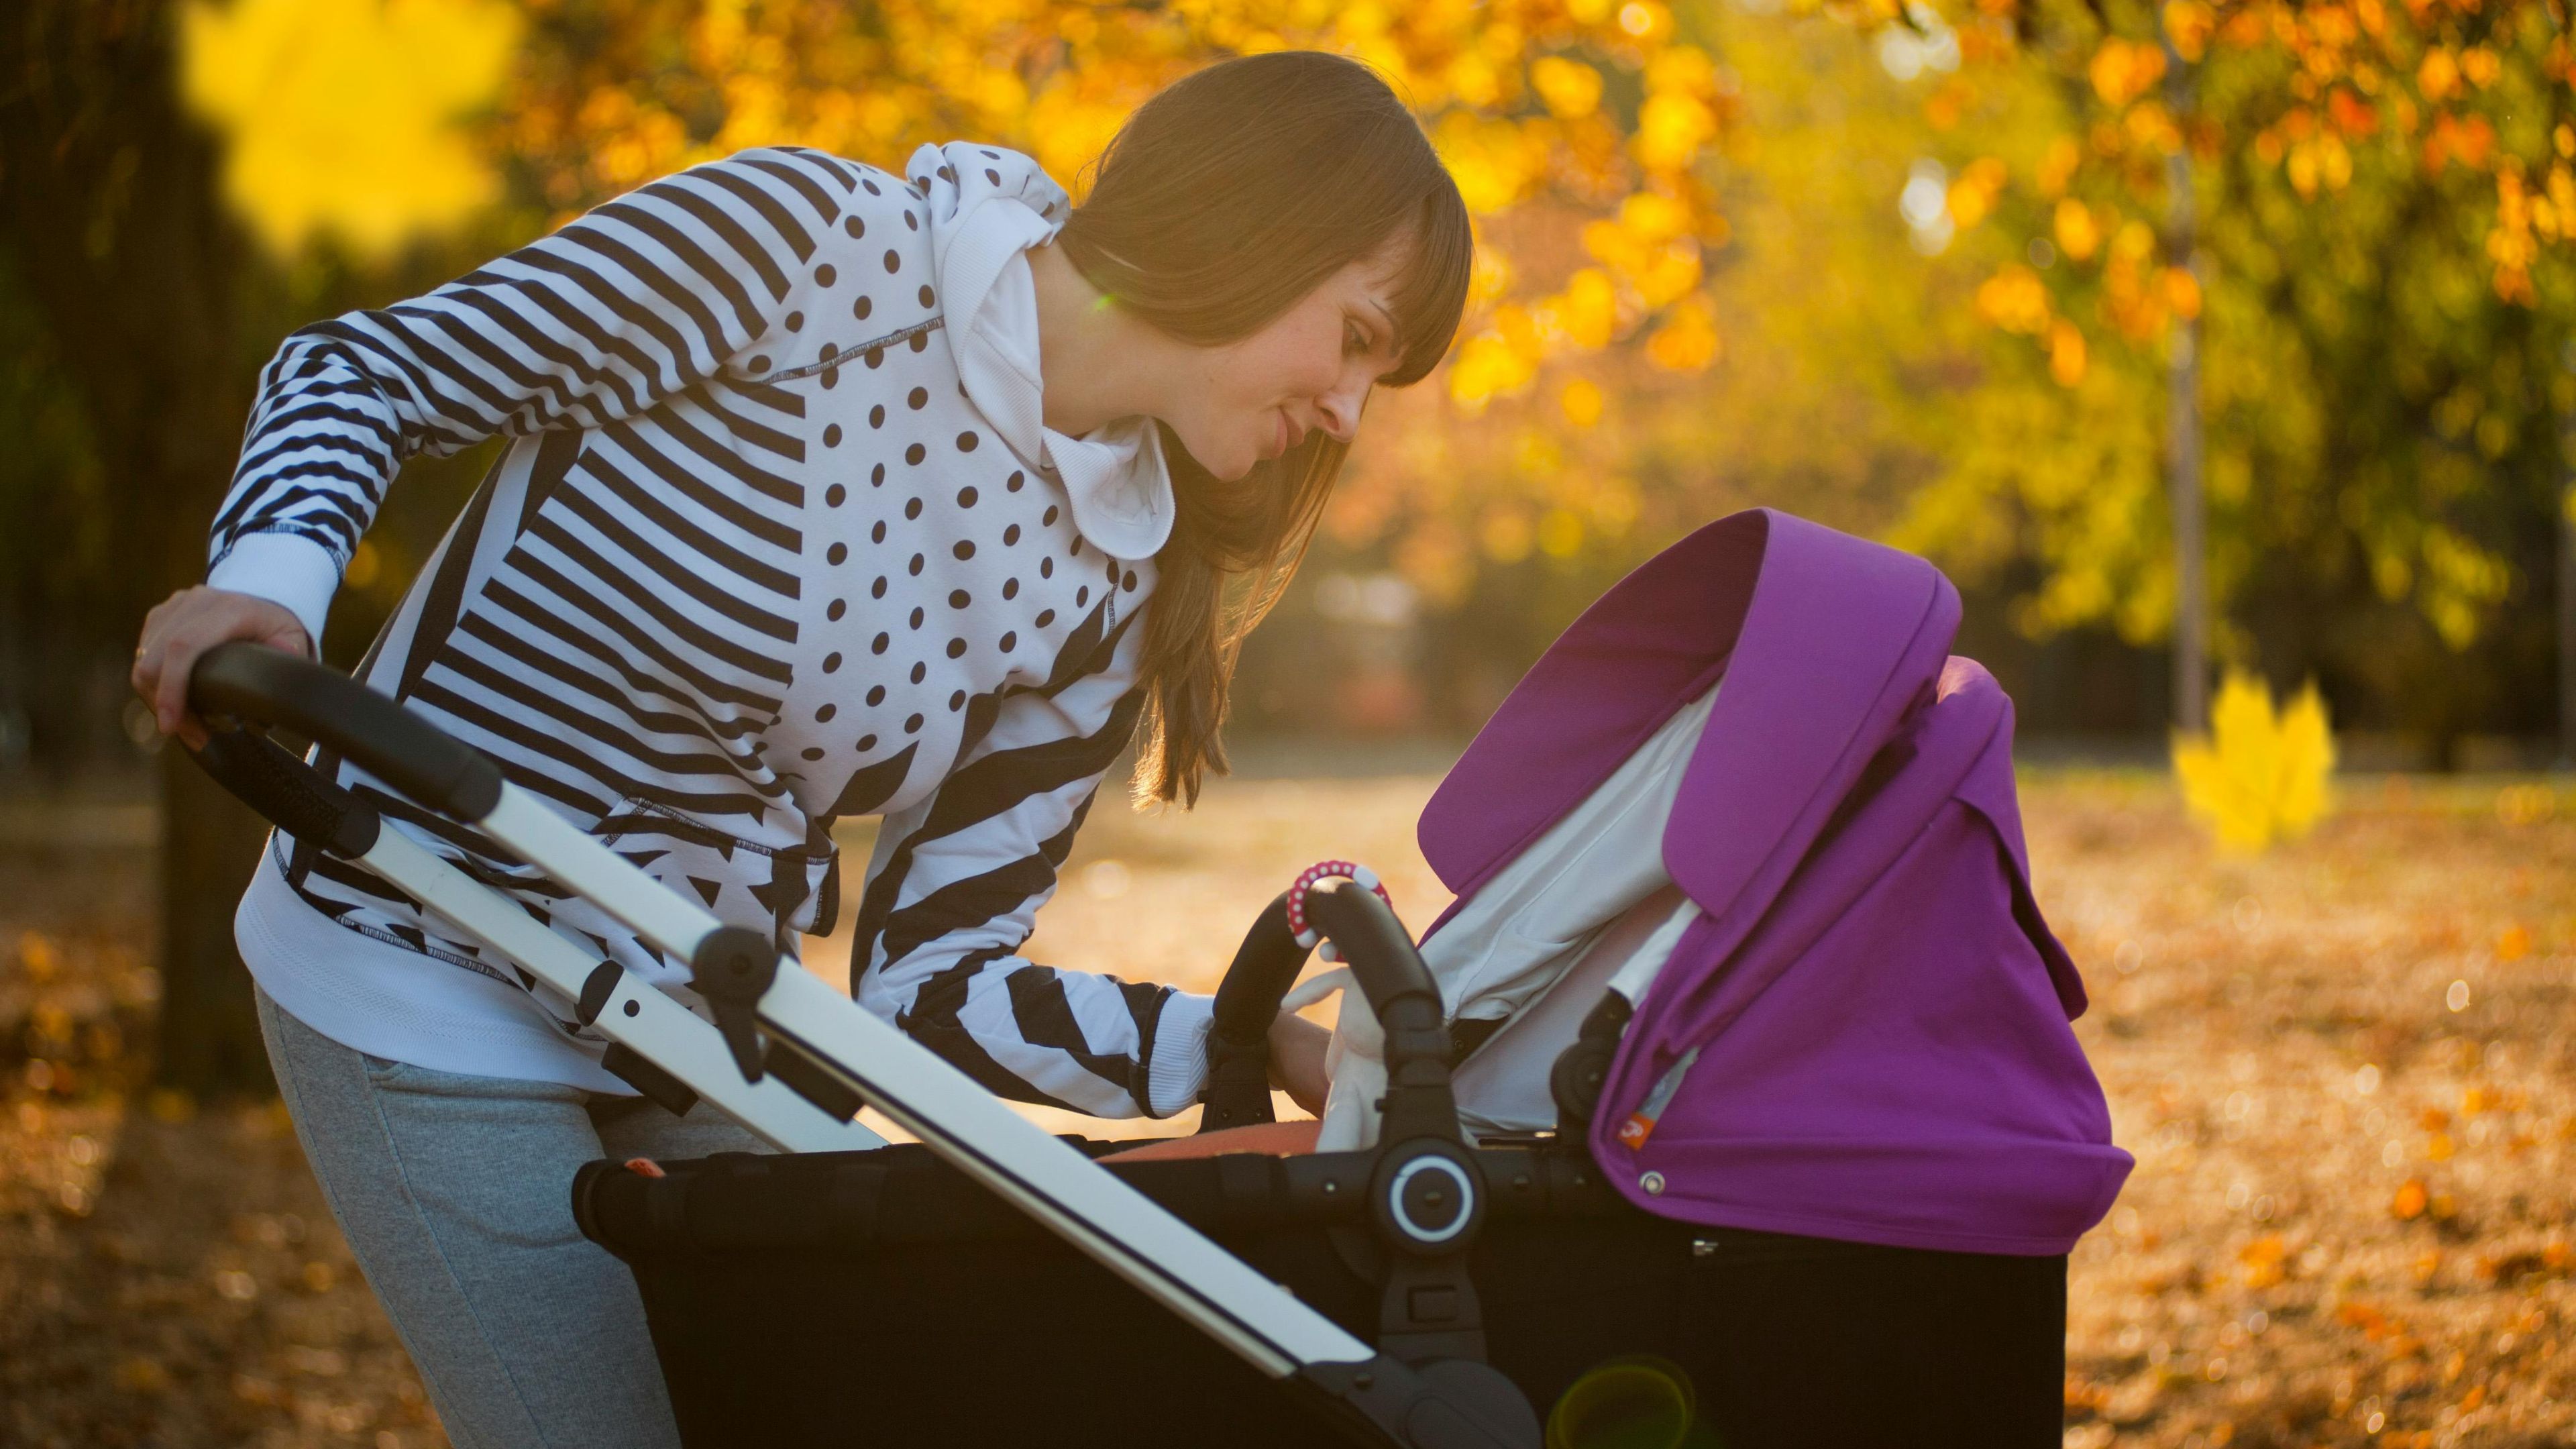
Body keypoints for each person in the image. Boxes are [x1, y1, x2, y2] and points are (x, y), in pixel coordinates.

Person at [129, 49, 1471, 1449]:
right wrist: (270, 588)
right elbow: (370, 372)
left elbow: (934, 990)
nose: (1346, 416)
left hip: (690, 1021)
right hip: (423, 940)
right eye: (1360, 338)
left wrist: (1252, 1043)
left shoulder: (1117, 579)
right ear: (1256, 226)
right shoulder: (807, 252)